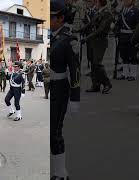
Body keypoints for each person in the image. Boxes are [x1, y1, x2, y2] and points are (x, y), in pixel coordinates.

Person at [51, 0, 80, 179]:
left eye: (51, 17)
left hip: (60, 90)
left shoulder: (70, 39)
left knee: (55, 132)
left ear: (61, 18)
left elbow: (75, 71)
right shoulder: (50, 36)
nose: (49, 20)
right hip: (49, 90)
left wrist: (75, 99)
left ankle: (61, 173)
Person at [79, 0, 113, 94]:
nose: (94, 3)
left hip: (100, 41)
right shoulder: (98, 12)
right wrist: (79, 30)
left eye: (96, 2)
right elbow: (90, 23)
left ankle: (107, 83)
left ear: (99, 2)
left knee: (97, 63)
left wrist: (86, 38)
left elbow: (100, 29)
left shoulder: (107, 14)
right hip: (93, 40)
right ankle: (95, 85)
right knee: (93, 64)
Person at [114, 0, 139, 81]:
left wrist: (136, 37)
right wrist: (116, 32)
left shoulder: (136, 11)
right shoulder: (122, 10)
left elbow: (138, 25)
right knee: (124, 56)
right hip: (122, 36)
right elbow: (118, 23)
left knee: (132, 56)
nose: (125, 1)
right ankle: (124, 74)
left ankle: (133, 74)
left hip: (131, 36)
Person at [82, 0, 97, 76]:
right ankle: (92, 70)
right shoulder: (87, 12)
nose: (88, 3)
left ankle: (95, 71)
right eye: (87, 2)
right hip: (88, 36)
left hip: (94, 36)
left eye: (90, 1)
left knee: (94, 54)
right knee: (89, 54)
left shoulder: (96, 11)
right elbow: (85, 23)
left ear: (94, 2)